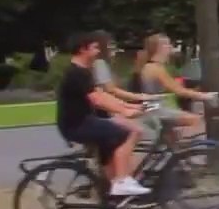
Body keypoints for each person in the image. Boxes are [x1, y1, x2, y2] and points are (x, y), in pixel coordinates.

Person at [56, 33, 151, 198]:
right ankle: (121, 182)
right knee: (130, 132)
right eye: (94, 47)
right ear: (82, 49)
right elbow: (97, 100)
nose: (99, 50)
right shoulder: (76, 73)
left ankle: (111, 193)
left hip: (84, 121)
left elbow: (101, 94)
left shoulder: (83, 71)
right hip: (77, 124)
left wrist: (128, 105)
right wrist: (125, 112)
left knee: (111, 144)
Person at [136, 33, 218, 138]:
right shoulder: (155, 68)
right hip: (156, 110)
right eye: (167, 44)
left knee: (172, 141)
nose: (170, 46)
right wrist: (206, 96)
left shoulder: (152, 66)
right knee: (195, 120)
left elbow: (173, 87)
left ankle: (177, 148)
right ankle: (185, 149)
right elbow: (179, 91)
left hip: (154, 109)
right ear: (159, 48)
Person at [88, 32, 155, 140]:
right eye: (110, 45)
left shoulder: (98, 64)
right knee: (133, 132)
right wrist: (140, 97)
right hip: (105, 111)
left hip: (104, 109)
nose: (113, 48)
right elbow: (111, 90)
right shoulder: (99, 63)